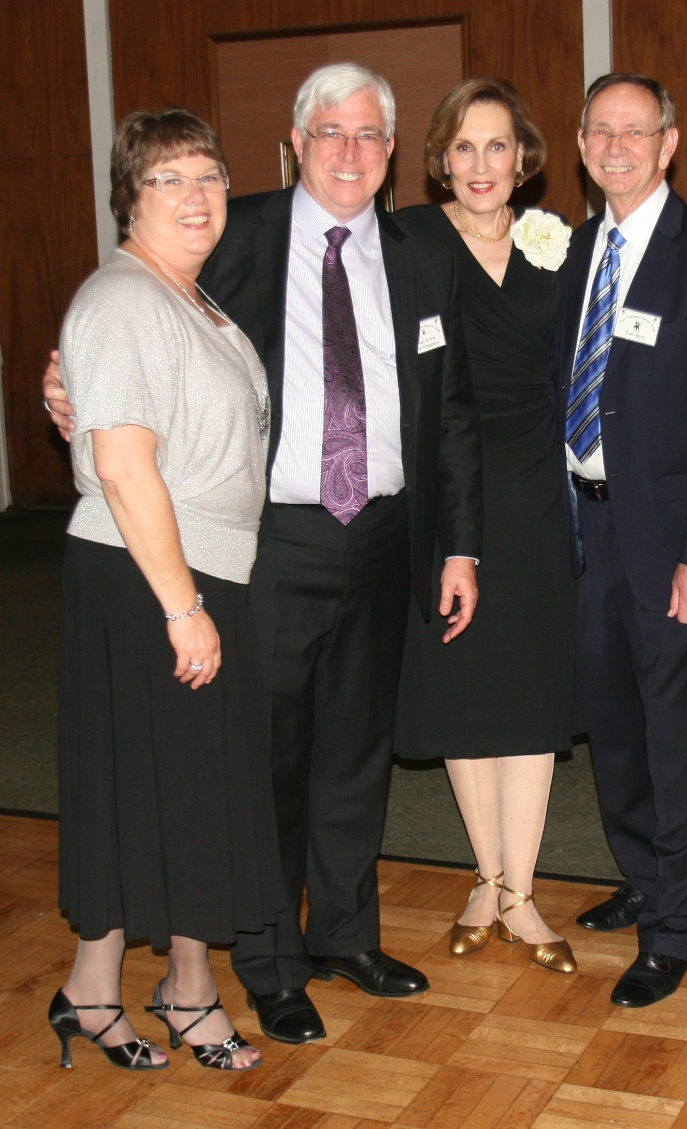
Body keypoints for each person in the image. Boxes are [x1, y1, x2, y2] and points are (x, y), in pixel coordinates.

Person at [46, 63, 482, 1045]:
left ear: (391, 153)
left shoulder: (422, 254)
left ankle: (345, 935)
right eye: (329, 131)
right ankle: (272, 962)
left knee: (356, 751)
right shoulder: (225, 227)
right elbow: (125, 320)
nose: (348, 151)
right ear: (294, 141)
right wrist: (57, 381)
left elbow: (450, 410)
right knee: (268, 757)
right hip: (265, 542)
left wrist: (461, 546)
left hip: (381, 535)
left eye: (370, 134)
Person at [50, 108, 282, 1072]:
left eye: (209, 175)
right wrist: (183, 607)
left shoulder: (191, 297)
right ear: (128, 198)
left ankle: (117, 987)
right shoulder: (125, 299)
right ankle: (143, 991)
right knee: (157, 791)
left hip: (194, 571)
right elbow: (127, 467)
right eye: (169, 179)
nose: (196, 195)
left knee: (188, 793)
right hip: (149, 577)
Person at [553, 74, 687, 1007]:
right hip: (583, 532)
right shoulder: (571, 253)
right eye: (601, 130)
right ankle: (641, 875)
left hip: (672, 539)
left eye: (635, 130)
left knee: (674, 736)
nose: (617, 145)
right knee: (614, 725)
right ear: (581, 142)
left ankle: (676, 926)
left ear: (669, 143)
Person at [393, 77, 578, 973]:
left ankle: (522, 893)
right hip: (447, 494)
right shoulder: (409, 239)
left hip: (538, 488)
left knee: (529, 689)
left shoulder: (558, 247)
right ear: (438, 157)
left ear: (524, 158)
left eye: (497, 145)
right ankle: (486, 875)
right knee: (466, 685)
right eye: (462, 146)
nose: (479, 164)